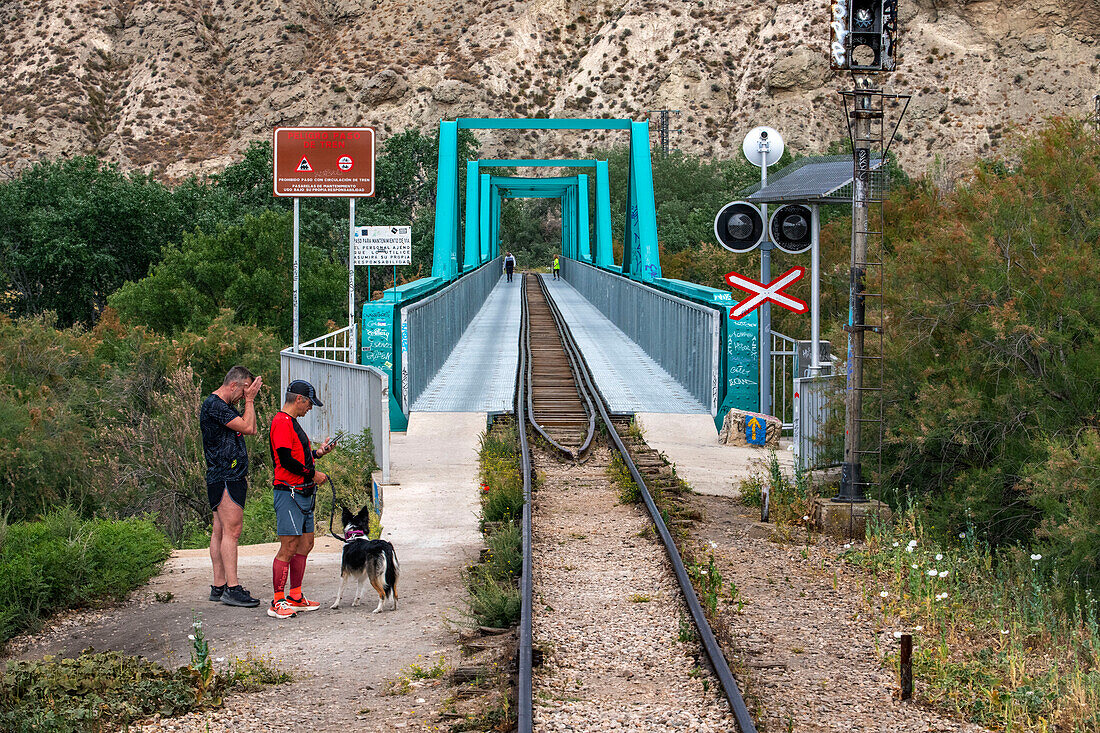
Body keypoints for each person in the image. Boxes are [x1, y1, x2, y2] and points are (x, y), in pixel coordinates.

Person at [267, 379, 336, 619]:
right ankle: (278, 600)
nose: (310, 408)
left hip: (303, 492)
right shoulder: (281, 423)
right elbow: (285, 460)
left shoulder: (292, 423)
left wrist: (318, 453)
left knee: (306, 544)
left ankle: (295, 596)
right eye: (309, 404)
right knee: (288, 546)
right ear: (299, 399)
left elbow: (299, 455)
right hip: (289, 492)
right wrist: (313, 474)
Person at [199, 366, 263, 608]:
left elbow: (250, 427)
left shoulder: (222, 407)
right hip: (226, 475)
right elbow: (249, 428)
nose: (244, 395)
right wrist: (250, 400)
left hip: (222, 474)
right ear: (234, 385)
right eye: (244, 389)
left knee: (220, 530)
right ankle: (232, 588)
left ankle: (219, 585)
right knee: (232, 532)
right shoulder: (215, 405)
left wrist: (246, 400)